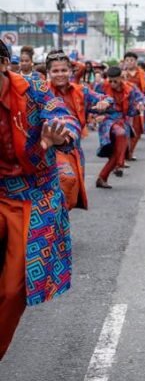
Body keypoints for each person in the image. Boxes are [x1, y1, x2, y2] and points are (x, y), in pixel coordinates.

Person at [0, 39, 79, 361]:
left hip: (34, 196)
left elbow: (64, 116)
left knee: (13, 289)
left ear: (4, 65)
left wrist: (60, 137)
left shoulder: (33, 91)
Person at [47, 50, 111, 210]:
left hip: (73, 151)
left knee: (70, 198)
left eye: (63, 70)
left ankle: (59, 231)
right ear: (48, 73)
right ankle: (54, 233)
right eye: (55, 71)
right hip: (47, 150)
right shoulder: (41, 92)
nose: (60, 74)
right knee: (59, 189)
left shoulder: (81, 91)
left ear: (70, 71)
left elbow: (107, 99)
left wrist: (105, 103)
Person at [94, 66, 144, 189]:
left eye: (115, 81)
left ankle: (102, 177)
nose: (112, 84)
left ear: (121, 78)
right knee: (120, 134)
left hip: (123, 121)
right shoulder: (100, 87)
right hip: (107, 121)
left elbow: (130, 112)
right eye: (110, 81)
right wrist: (96, 115)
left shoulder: (130, 90)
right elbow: (90, 104)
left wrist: (138, 109)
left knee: (117, 151)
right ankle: (119, 164)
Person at [122, 52, 145, 159]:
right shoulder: (121, 75)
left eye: (132, 60)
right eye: (127, 60)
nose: (130, 62)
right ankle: (122, 154)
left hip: (139, 105)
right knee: (124, 130)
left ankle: (130, 152)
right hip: (124, 104)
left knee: (137, 130)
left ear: (136, 62)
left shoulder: (142, 74)